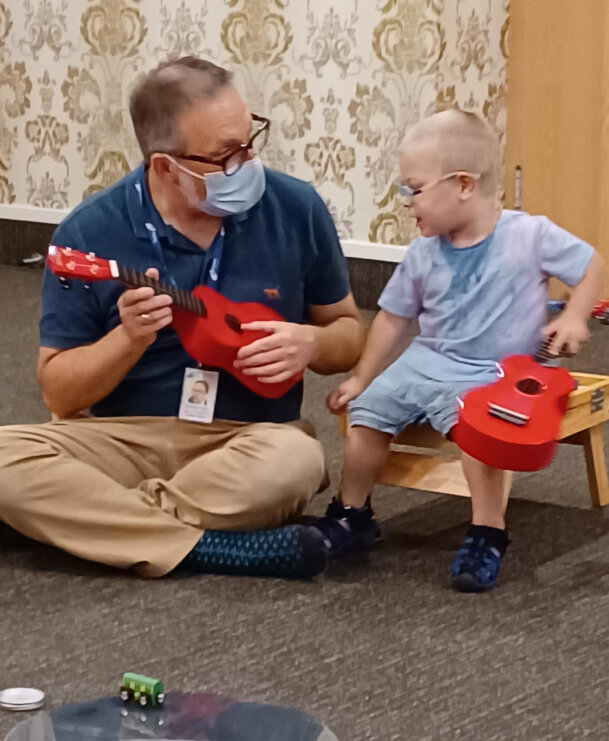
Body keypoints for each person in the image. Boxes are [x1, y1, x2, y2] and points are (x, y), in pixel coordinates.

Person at [0, 57, 365, 580]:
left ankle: (96, 521)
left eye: (250, 141)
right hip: (127, 438)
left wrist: (312, 343)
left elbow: (351, 335)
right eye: (224, 156)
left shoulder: (296, 208)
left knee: (299, 462)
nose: (247, 163)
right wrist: (127, 339)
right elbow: (60, 395)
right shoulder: (90, 231)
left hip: (248, 439)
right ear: (165, 166)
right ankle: (204, 547)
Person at [307, 109, 604, 592]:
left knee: (477, 432)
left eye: (413, 188)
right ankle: (352, 514)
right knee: (367, 415)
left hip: (492, 372)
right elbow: (393, 318)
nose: (405, 202)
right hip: (427, 360)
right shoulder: (424, 251)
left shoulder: (529, 235)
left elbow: (592, 264)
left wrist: (573, 316)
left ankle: (488, 531)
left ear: (464, 183)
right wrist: (362, 377)